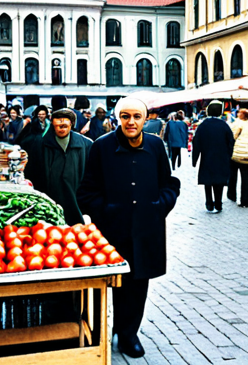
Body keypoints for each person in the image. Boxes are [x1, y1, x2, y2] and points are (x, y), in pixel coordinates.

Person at [77, 97, 180, 359]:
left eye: (136, 116)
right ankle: (101, 331)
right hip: (112, 231)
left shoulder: (156, 146)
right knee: (109, 284)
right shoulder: (102, 147)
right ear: (117, 118)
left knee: (138, 284)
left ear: (146, 119)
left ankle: (128, 334)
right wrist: (107, 210)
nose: (131, 122)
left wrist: (159, 206)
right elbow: (87, 191)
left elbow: (169, 184)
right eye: (125, 116)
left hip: (146, 229)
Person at [34, 109, 93, 226]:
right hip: (51, 206)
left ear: (71, 124)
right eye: (58, 126)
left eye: (65, 125)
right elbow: (36, 176)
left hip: (80, 205)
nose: (61, 129)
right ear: (52, 125)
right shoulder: (41, 144)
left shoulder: (86, 145)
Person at [192, 101, 234, 213]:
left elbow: (196, 143)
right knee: (219, 182)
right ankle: (218, 203)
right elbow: (231, 142)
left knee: (208, 182)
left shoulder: (203, 125)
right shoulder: (224, 126)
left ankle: (209, 202)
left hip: (207, 157)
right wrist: (229, 155)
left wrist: (195, 159)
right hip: (221, 158)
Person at [15, 106, 51, 189]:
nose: (41, 116)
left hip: (45, 154)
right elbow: (22, 138)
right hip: (34, 154)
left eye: (43, 114)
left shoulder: (49, 125)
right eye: (39, 114)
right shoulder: (31, 125)